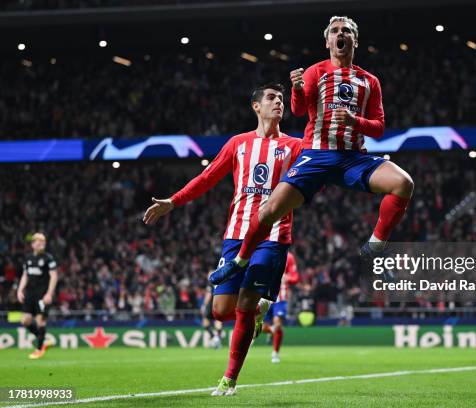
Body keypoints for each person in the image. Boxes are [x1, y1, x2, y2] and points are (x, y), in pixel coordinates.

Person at [209, 15, 414, 286]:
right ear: (328, 41)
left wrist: (355, 121)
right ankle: (240, 260)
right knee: (269, 211)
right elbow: (297, 110)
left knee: (403, 183)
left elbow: (378, 128)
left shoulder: (369, 81)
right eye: (336, 31)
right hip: (316, 156)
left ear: (355, 40)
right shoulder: (316, 72)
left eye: (347, 31)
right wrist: (296, 89)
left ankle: (375, 247)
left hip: (352, 158)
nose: (341, 34)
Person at [143, 83, 302, 396]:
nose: (278, 102)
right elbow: (206, 178)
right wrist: (172, 202)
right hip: (235, 234)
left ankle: (229, 379)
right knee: (219, 310)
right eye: (271, 98)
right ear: (256, 106)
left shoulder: (295, 146)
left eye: (281, 99)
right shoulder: (238, 144)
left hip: (272, 235)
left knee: (243, 305)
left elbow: (316, 172)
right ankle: (259, 314)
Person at [17, 232, 58, 359]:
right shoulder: (28, 258)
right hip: (29, 294)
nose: (41, 244)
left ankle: (39, 349)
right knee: (25, 320)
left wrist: (49, 294)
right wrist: (19, 290)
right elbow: (25, 275)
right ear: (32, 244)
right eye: (38, 242)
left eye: (43, 242)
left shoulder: (48, 258)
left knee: (40, 320)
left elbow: (54, 276)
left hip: (42, 294)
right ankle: (43, 341)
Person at [257, 251, 299, 363]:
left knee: (278, 324)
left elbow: (295, 277)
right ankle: (271, 332)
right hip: (263, 296)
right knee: (260, 326)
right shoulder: (262, 253)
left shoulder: (289, 256)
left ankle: (275, 353)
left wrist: (288, 278)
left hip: (280, 297)